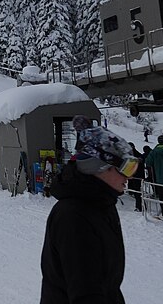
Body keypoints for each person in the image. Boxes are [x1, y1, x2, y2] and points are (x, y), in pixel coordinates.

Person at [40, 115, 139, 304]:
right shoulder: (73, 216)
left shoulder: (102, 203)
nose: (129, 177)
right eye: (126, 168)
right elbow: (85, 292)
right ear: (100, 167)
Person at [127, 142, 145, 212]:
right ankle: (141, 206)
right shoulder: (139, 155)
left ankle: (139, 207)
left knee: (137, 192)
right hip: (138, 176)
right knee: (138, 191)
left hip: (135, 176)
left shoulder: (132, 156)